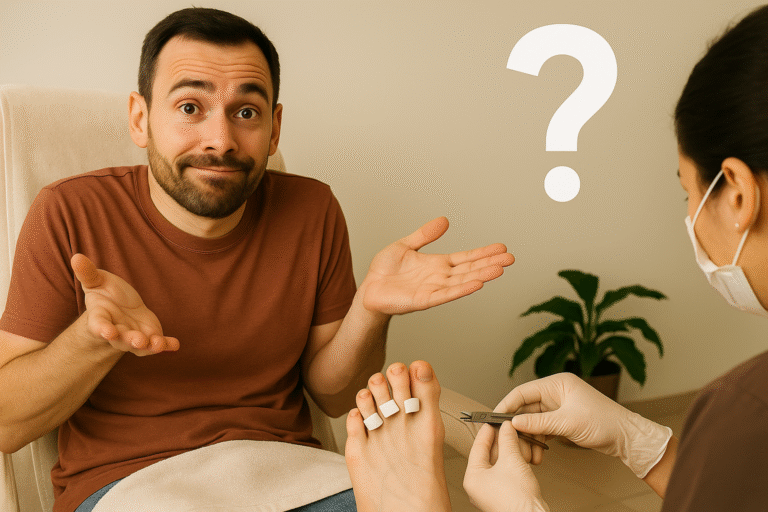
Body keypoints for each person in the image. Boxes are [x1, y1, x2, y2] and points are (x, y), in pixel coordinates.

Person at [0, 7, 516, 512]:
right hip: (131, 484)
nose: (221, 141)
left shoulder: (312, 209)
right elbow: (6, 424)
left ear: (274, 128)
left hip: (294, 475)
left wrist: (370, 309)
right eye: (189, 108)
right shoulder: (69, 212)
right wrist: (92, 340)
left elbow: (334, 398)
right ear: (140, 119)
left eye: (246, 112)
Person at [342, 4, 768, 511]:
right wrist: (644, 444)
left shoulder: (747, 413)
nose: (690, 215)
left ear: (736, 194)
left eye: (688, 194)